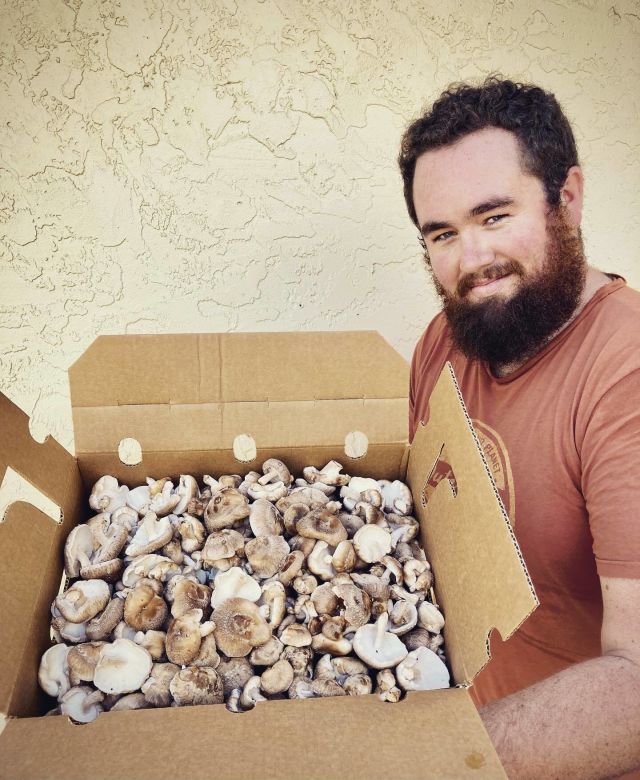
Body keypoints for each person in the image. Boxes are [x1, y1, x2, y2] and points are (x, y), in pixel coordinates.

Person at [398, 77, 640, 780]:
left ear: (568, 198)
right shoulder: (441, 347)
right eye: (442, 234)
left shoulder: (624, 368)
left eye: (494, 217)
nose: (471, 262)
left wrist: (413, 762)